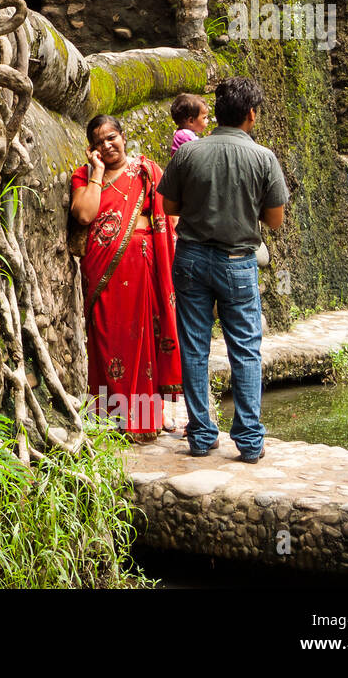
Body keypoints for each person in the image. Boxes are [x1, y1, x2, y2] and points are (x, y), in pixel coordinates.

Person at [157, 78, 289, 464]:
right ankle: (249, 442)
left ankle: (201, 436)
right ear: (250, 114)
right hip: (237, 262)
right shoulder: (264, 158)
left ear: (218, 112)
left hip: (192, 259)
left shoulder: (189, 153)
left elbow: (168, 207)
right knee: (245, 350)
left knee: (195, 347)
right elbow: (275, 220)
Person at [70, 115, 183, 440]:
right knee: (106, 340)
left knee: (142, 344)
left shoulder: (146, 172)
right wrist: (98, 173)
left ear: (122, 136)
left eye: (112, 138)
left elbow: (168, 218)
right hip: (102, 271)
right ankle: (109, 422)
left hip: (143, 270)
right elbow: (84, 214)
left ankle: (143, 422)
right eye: (99, 142)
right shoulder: (85, 175)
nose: (107, 145)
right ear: (92, 148)